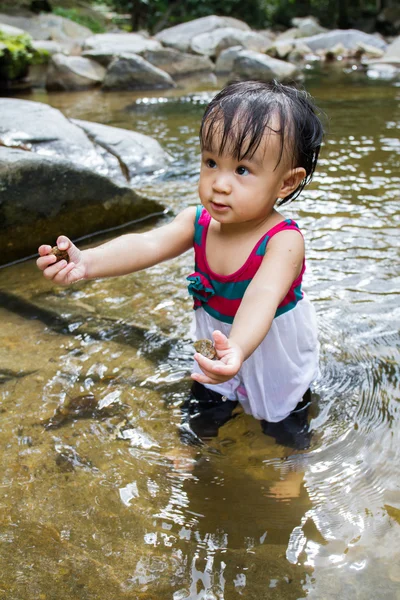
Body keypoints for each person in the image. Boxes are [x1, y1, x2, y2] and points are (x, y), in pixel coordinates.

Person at [37, 80, 324, 449]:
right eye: (211, 162)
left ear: (286, 183)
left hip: (268, 343)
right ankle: (190, 449)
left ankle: (294, 467)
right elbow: (147, 243)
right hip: (217, 337)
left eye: (242, 170)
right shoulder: (198, 222)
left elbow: (262, 297)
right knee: (205, 398)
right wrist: (88, 261)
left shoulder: (284, 240)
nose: (219, 184)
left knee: (284, 415)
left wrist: (237, 347)